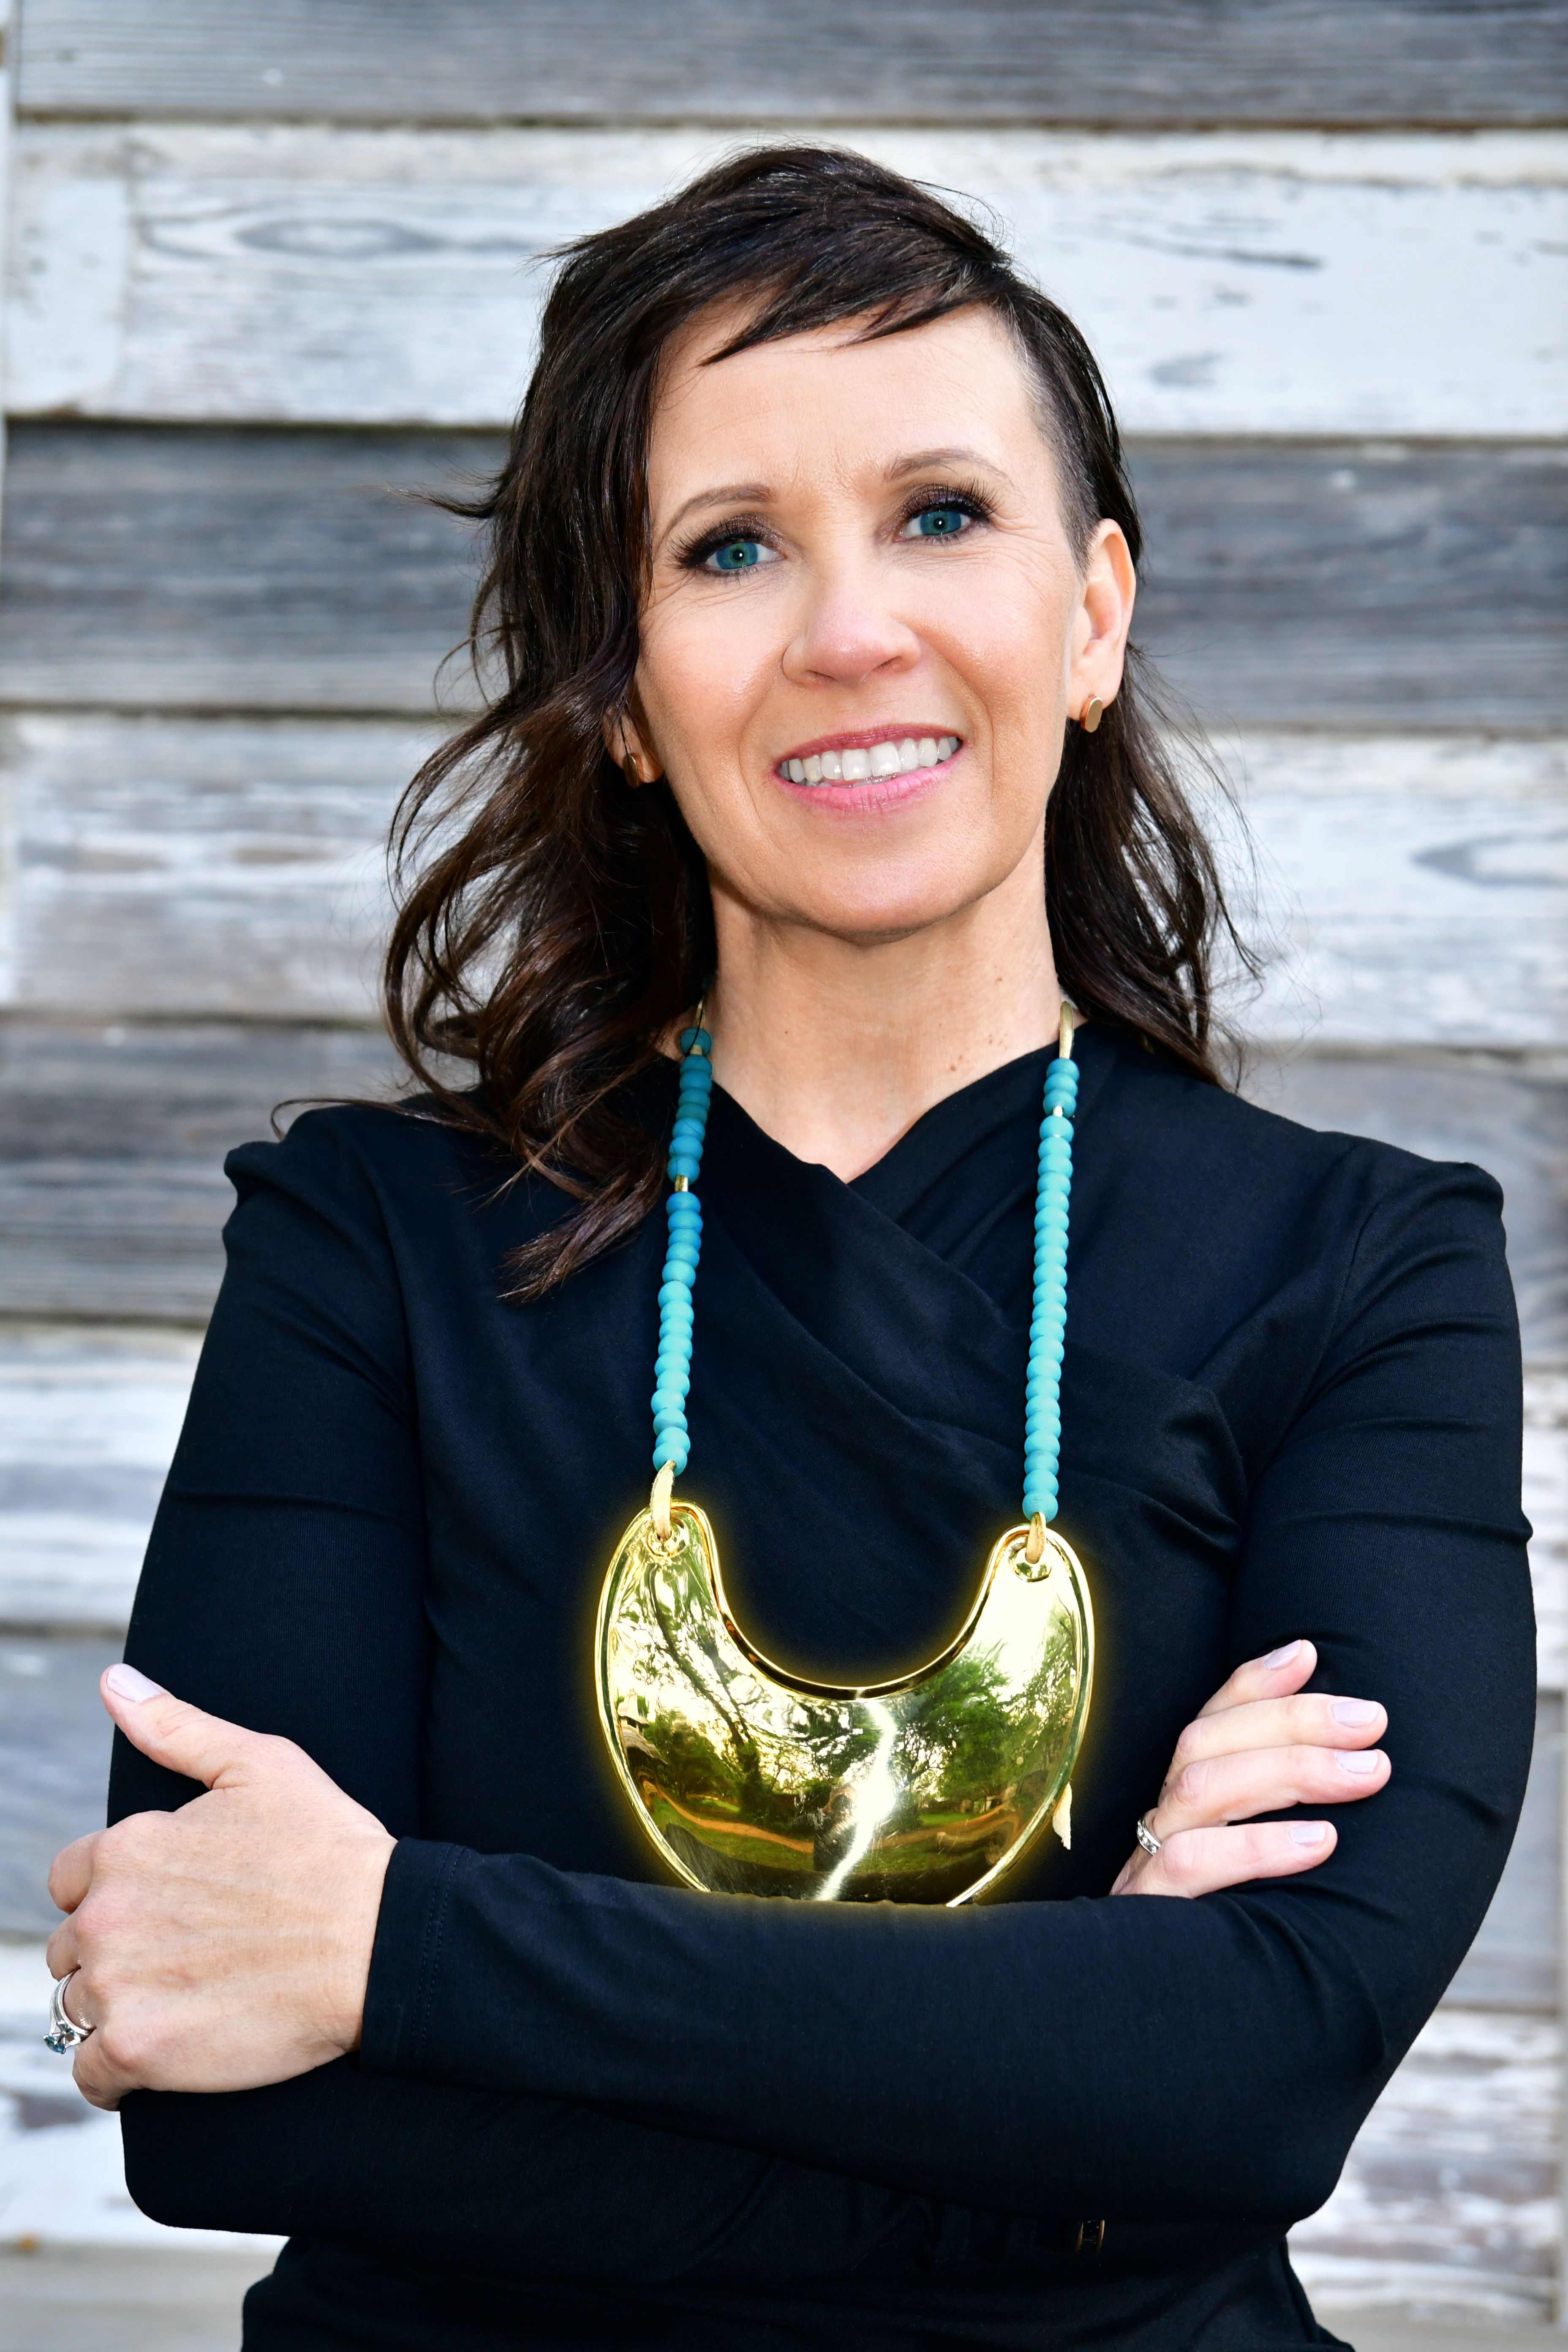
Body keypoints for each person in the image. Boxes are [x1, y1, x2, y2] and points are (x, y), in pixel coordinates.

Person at [44, 147, 1531, 2350]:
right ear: (623, 692)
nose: (851, 632)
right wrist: (1078, 2079)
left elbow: (1259, 2079)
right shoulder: (373, 1249)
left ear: (1093, 616)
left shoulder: (1367, 1267)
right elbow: (219, 2101)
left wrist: (404, 1949)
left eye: (942, 514)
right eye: (731, 546)